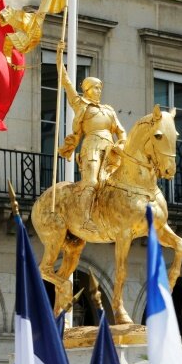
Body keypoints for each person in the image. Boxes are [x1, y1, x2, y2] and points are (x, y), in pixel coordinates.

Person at [55, 44, 126, 231]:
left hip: (111, 149)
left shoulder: (108, 110)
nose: (98, 91)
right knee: (92, 182)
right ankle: (85, 218)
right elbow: (66, 83)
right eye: (94, 88)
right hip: (92, 147)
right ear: (86, 90)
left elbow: (121, 130)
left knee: (119, 183)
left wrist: (122, 143)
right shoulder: (81, 105)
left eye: (99, 88)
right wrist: (59, 58)